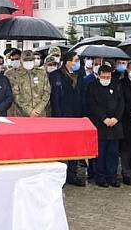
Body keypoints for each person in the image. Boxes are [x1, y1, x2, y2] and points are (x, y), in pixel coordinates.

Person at [49, 51, 86, 186]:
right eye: (75, 60)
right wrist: (58, 118)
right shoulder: (55, 75)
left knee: (74, 148)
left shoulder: (79, 75)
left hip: (76, 116)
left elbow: (83, 96)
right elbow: (54, 99)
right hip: (61, 117)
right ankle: (60, 177)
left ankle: (72, 174)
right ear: (67, 61)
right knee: (60, 148)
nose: (77, 63)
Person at [87, 65, 124, 187]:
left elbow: (121, 103)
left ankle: (112, 176)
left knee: (113, 153)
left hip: (115, 125)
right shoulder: (92, 86)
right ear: (98, 76)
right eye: (103, 77)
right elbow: (92, 105)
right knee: (101, 153)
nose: (106, 79)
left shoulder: (117, 84)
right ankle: (100, 177)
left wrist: (116, 118)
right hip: (100, 124)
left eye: (108, 77)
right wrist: (104, 119)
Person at [10, 50, 50, 117]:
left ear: (34, 60)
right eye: (26, 60)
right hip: (22, 114)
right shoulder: (15, 75)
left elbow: (47, 92)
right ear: (21, 61)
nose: (28, 62)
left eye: (30, 60)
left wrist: (38, 109)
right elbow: (16, 95)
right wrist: (29, 110)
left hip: (40, 113)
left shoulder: (42, 73)